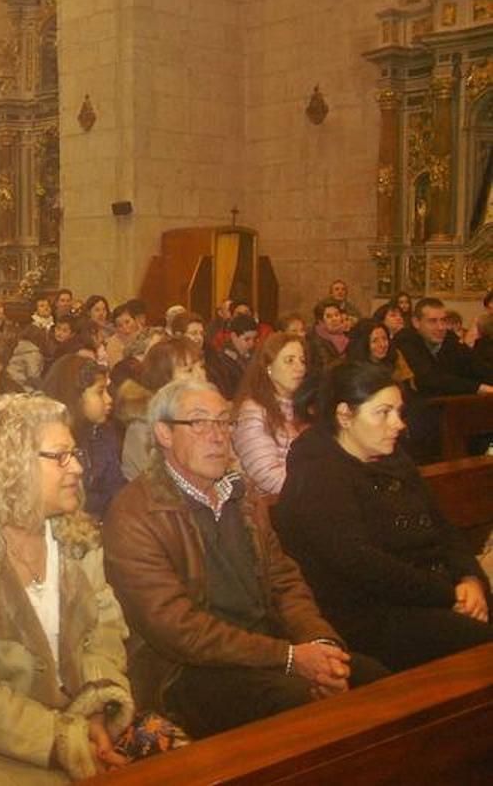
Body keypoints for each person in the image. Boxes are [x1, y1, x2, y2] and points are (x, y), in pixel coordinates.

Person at [0, 394, 187, 785]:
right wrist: (65, 738)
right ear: (11, 466)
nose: (79, 468)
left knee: (184, 764)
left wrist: (96, 709)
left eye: (76, 453)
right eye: (61, 456)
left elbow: (104, 631)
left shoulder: (76, 539)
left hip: (76, 716)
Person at [102, 379, 388, 737]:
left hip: (268, 645)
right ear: (163, 433)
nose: (218, 435)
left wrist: (320, 644)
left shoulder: (243, 495)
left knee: (371, 679)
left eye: (224, 421)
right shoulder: (135, 512)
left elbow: (284, 581)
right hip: (186, 670)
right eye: (199, 422)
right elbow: (176, 629)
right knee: (305, 708)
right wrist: (289, 658)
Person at [273, 362, 490, 672]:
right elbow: (361, 563)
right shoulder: (318, 474)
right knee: (481, 645)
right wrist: (449, 594)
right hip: (371, 616)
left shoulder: (394, 457)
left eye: (399, 412)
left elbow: (442, 525)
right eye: (383, 412)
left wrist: (470, 579)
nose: (398, 424)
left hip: (430, 595)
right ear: (345, 415)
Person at [41, 355, 126, 520]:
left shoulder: (103, 434)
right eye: (100, 392)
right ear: (76, 397)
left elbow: (117, 490)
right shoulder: (50, 445)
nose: (109, 399)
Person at [231, 333, 309, 498]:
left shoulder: (305, 408)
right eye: (289, 360)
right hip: (277, 502)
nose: (300, 367)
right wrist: (315, 491)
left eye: (302, 360)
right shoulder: (252, 411)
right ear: (269, 367)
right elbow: (266, 475)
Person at [117, 337, 205, 480]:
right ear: (165, 381)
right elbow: (163, 485)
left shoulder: (204, 413)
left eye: (201, 367)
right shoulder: (142, 428)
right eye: (189, 370)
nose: (200, 376)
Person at [391, 297, 493, 397]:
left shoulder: (449, 338)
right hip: (418, 405)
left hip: (449, 404)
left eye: (443, 320)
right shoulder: (405, 340)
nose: (440, 327)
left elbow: (474, 364)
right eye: (432, 321)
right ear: (416, 322)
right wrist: (478, 388)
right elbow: (430, 378)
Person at [204, 313, 257, 399]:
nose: (251, 344)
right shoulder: (221, 361)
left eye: (254, 339)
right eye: (246, 339)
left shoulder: (254, 356)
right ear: (233, 336)